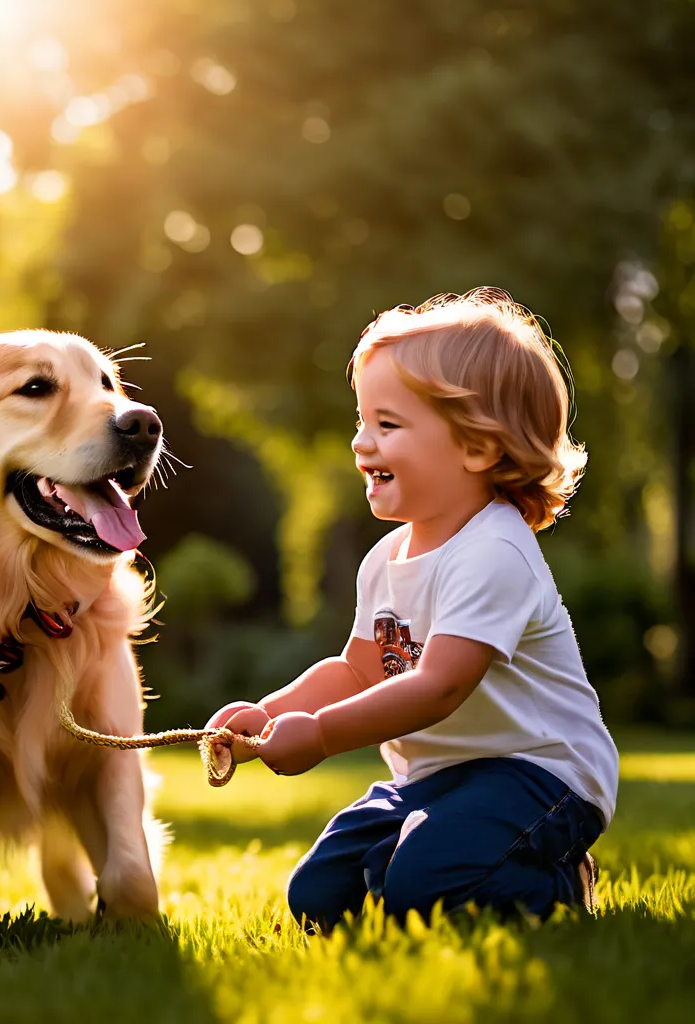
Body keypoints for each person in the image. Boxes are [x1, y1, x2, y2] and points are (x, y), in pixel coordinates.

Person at [205, 288, 618, 933]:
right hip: (438, 775)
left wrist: (319, 736)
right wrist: (277, 710)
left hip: (542, 775)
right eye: (362, 421)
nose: (359, 443)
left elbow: (438, 687)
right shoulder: (387, 557)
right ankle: (412, 865)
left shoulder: (495, 550)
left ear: (478, 449)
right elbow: (360, 670)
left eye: (387, 425)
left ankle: (559, 877)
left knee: (428, 886)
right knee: (318, 896)